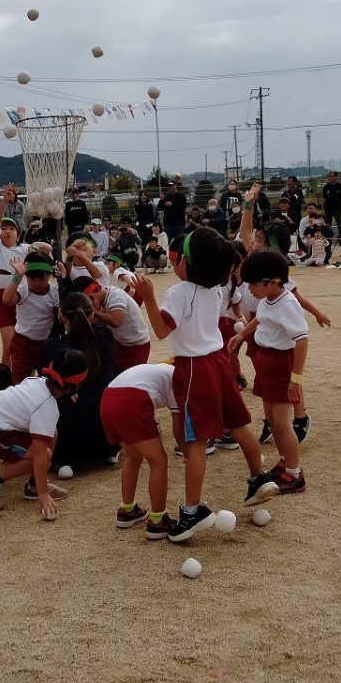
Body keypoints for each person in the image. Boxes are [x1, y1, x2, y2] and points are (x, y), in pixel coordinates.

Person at [130, 228, 279, 542]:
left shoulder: (179, 292)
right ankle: (259, 477)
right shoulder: (217, 289)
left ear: (187, 262)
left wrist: (149, 298)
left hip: (193, 368)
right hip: (218, 363)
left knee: (195, 442)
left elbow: (161, 330)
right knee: (239, 426)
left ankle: (192, 511)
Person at [229, 250, 309, 492]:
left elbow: (302, 340)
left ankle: (294, 474)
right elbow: (260, 318)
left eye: (252, 284)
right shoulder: (267, 299)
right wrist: (241, 334)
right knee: (272, 420)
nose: (248, 289)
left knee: (282, 423)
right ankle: (284, 462)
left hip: (280, 363)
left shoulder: (288, 304)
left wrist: (295, 379)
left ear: (273, 282)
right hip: (266, 361)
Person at [0, 348, 85, 519]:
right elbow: (39, 455)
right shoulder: (46, 407)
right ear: (74, 385)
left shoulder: (38, 381)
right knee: (44, 456)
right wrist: (43, 494)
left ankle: (33, 485)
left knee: (51, 433)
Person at [39, 290, 119, 467]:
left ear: (61, 315)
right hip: (105, 440)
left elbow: (45, 382)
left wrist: (58, 321)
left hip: (66, 445)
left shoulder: (53, 346)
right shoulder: (105, 337)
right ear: (92, 315)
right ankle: (107, 453)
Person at [103, 363, 179, 537]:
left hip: (108, 398)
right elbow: (178, 425)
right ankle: (158, 520)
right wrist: (187, 452)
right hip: (132, 400)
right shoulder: (180, 379)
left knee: (133, 456)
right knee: (159, 461)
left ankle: (127, 510)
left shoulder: (165, 370)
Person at [0, 184, 29, 367]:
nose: (7, 230)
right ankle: (7, 378)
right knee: (9, 346)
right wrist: (4, 201)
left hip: (23, 297)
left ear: (18, 235)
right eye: (4, 228)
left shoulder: (24, 249)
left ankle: (25, 378)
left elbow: (47, 248)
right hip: (2, 296)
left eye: (12, 228)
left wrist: (38, 246)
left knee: (25, 345)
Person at [2, 250, 60, 383]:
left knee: (47, 381)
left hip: (47, 344)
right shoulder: (23, 290)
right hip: (23, 344)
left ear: (49, 275)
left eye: (42, 279)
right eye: (32, 279)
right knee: (20, 381)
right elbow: (7, 300)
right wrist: (17, 277)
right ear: (26, 277)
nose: (37, 283)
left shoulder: (54, 292)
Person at [76, 274, 149, 372]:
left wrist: (94, 312)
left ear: (91, 298)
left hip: (137, 346)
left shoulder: (115, 296)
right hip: (120, 344)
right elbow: (102, 320)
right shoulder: (105, 298)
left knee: (130, 375)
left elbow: (115, 321)